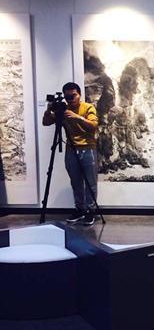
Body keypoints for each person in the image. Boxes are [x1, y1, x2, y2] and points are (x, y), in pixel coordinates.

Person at [42, 82, 99, 225]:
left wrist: (77, 117)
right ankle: (80, 209)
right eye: (68, 96)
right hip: (71, 149)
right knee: (75, 182)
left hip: (88, 148)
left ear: (79, 95)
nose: (71, 99)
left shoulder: (88, 107)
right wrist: (48, 111)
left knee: (90, 183)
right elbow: (46, 122)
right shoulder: (63, 109)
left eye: (73, 95)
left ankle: (90, 211)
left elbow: (93, 125)